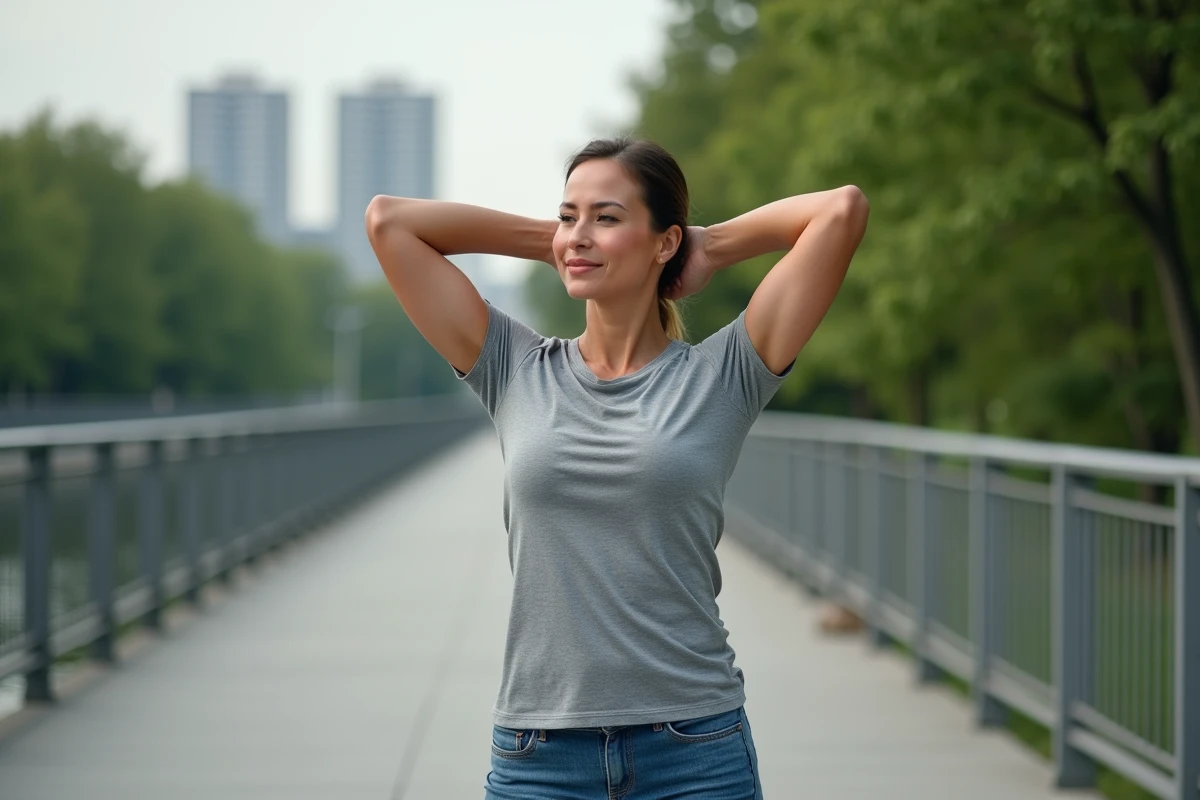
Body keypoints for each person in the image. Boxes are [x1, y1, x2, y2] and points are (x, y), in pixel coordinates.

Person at [365, 137, 868, 800]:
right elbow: (390, 223)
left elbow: (840, 211)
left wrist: (709, 247)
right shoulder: (514, 368)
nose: (579, 234)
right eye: (568, 215)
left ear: (665, 242)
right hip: (538, 753)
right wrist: (558, 241)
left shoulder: (723, 376)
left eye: (606, 217)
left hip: (695, 748)